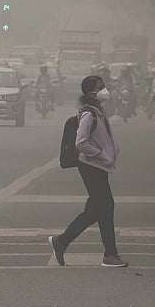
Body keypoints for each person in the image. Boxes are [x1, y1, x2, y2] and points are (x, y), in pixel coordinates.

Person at [49, 75, 127, 268]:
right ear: (91, 91)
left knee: (94, 210)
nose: (105, 90)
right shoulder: (88, 114)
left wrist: (111, 150)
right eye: (101, 87)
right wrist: (100, 154)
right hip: (91, 166)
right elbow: (81, 142)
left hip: (98, 166)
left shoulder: (97, 111)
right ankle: (110, 254)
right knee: (106, 207)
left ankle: (61, 241)